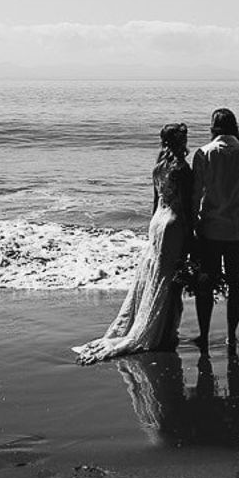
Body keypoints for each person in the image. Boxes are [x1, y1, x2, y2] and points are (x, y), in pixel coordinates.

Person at [74, 123, 192, 364]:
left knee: (155, 276)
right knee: (170, 280)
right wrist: (193, 238)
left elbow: (154, 203)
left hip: (158, 221)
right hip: (174, 223)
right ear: (182, 142)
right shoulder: (183, 170)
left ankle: (157, 328)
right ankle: (162, 332)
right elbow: (188, 208)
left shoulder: (159, 168)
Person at [191, 108, 239, 353]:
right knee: (235, 285)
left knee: (205, 285)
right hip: (237, 230)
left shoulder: (203, 154)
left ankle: (203, 335)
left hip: (210, 229)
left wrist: (193, 225)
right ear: (235, 127)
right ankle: (231, 336)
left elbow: (195, 195)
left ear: (213, 128)